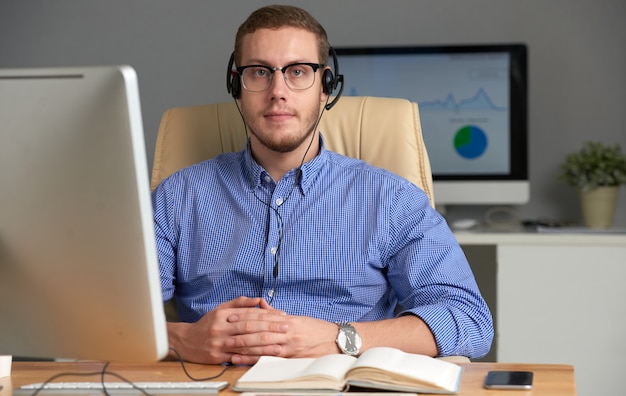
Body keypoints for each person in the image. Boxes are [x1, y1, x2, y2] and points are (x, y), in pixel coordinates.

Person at [152, 4, 493, 365]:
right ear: (237, 86)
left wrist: (341, 337)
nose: (277, 91)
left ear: (326, 86)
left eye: (297, 72)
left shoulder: (391, 200)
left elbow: (469, 319)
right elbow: (107, 321)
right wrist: (183, 339)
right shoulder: (177, 197)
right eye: (259, 72)